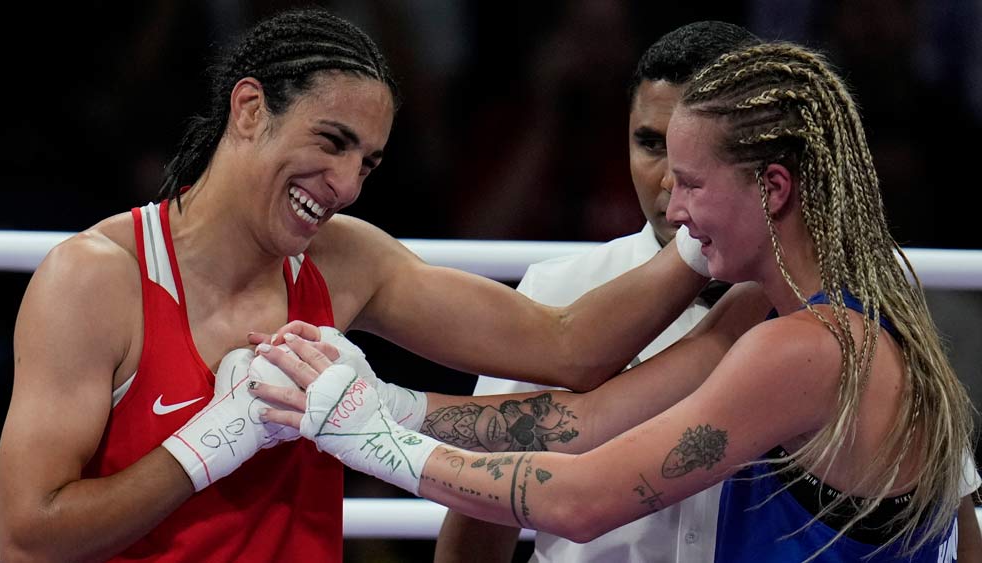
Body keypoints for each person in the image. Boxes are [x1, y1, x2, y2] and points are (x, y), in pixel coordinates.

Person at [0, 7, 716, 563]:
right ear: (250, 110)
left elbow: (570, 346)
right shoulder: (94, 278)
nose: (344, 185)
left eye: (368, 163)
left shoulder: (344, 262)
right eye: (331, 141)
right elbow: (29, 538)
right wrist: (205, 446)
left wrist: (708, 222)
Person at [253, 40, 979, 561]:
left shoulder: (805, 348)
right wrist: (386, 401)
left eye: (693, 182)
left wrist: (365, 437)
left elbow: (581, 499)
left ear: (774, 188)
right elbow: (580, 420)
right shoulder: (800, 314)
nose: (675, 207)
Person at [436, 21, 758, 563]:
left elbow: (943, 503)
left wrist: (381, 420)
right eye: (650, 144)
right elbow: (482, 521)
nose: (668, 180)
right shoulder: (559, 291)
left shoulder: (828, 307)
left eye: (700, 150)